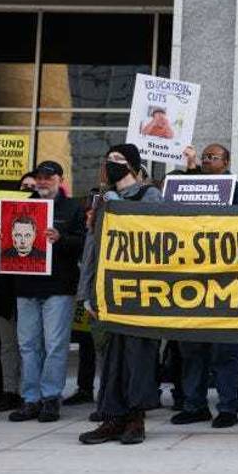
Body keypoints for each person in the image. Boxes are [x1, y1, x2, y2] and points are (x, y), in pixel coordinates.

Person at [78, 144, 164, 446]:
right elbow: (92, 246)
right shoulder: (101, 199)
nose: (111, 164)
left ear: (132, 165)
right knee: (111, 355)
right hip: (108, 288)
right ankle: (112, 416)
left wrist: (123, 209)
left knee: (138, 354)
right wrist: (86, 291)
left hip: (140, 290)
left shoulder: (149, 195)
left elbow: (154, 235)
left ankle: (135, 418)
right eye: (109, 159)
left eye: (119, 160)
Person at [0, 161, 85, 424]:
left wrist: (61, 239)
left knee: (55, 345)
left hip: (59, 288)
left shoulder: (73, 207)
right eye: (39, 177)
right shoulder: (19, 206)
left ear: (60, 179)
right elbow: (5, 240)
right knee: (28, 345)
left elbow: (84, 244)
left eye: (48, 177)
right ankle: (30, 399)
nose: (43, 182)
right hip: (25, 287)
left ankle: (51, 397)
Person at [171, 142, 238, 429]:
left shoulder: (237, 190)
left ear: (227, 161)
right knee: (191, 349)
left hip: (225, 283)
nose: (207, 160)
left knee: (224, 350)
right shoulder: (185, 187)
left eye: (213, 157)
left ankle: (228, 407)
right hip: (191, 282)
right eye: (204, 157)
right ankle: (194, 405)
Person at [0, 170, 38, 413]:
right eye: (24, 186)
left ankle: (31, 392)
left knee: (31, 344)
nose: (28, 190)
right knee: (8, 345)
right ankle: (9, 391)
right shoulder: (5, 219)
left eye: (33, 187)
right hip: (5, 292)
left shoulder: (42, 219)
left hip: (32, 291)